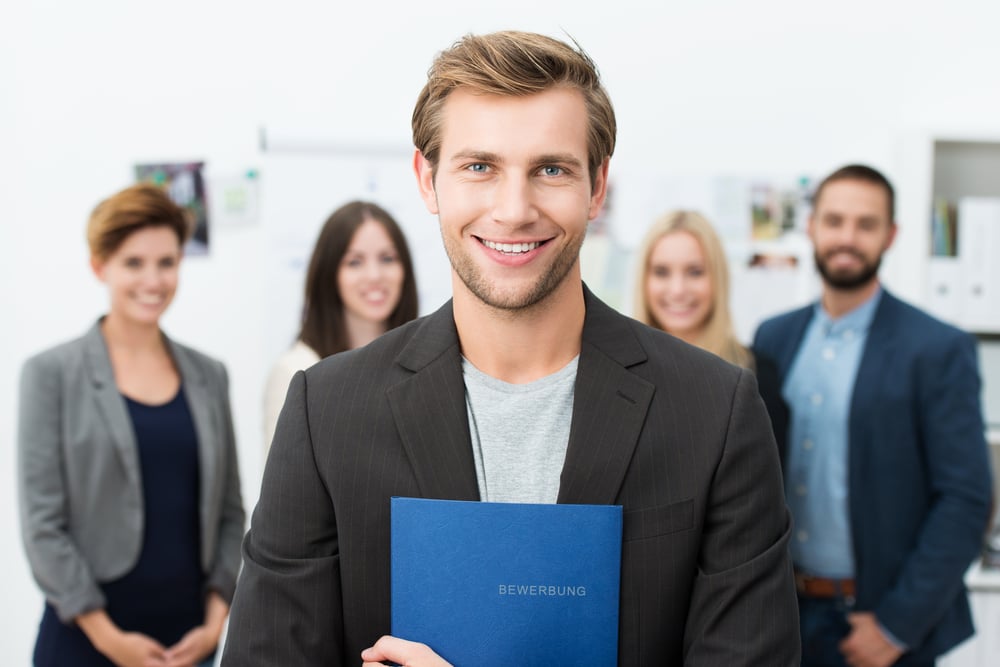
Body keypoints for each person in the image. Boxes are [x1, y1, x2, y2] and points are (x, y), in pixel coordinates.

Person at [222, 30, 799, 666]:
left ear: (596, 186)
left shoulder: (713, 411)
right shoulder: (326, 410)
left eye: (551, 169)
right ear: (427, 179)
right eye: (479, 167)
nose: (513, 209)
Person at [753, 164, 993, 667]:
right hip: (782, 613)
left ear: (891, 235)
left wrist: (897, 625)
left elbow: (966, 498)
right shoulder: (774, 339)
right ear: (813, 226)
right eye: (835, 220)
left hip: (877, 622)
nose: (848, 237)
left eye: (866, 224)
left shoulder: (936, 349)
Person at [18, 184, 246, 667]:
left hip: (189, 644)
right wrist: (109, 640)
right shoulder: (52, 374)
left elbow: (229, 511)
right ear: (100, 266)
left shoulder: (209, 374)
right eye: (133, 263)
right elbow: (43, 527)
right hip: (85, 643)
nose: (154, 280)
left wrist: (214, 623)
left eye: (167, 262)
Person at [262, 200, 418, 451]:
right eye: (354, 262)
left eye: (387, 259)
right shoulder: (297, 371)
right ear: (329, 274)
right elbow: (282, 487)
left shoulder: (423, 365)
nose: (375, 275)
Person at [634, 210, 787, 439]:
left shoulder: (757, 377)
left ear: (718, 278)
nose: (678, 290)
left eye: (695, 272)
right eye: (661, 272)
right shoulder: (614, 374)